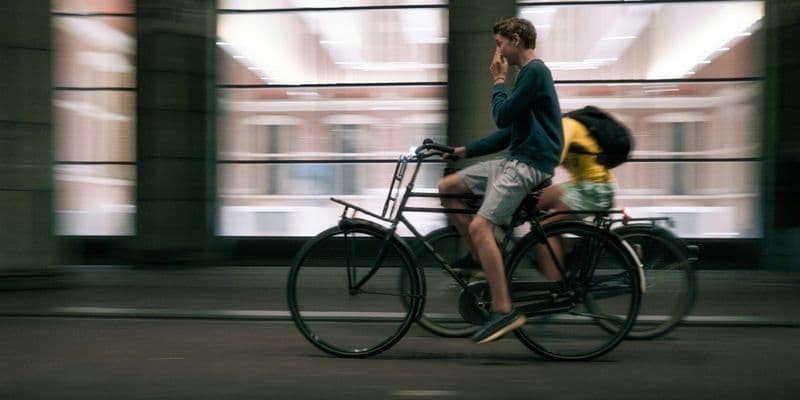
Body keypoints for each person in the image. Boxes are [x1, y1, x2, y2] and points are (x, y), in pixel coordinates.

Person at [438, 16, 563, 344]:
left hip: (528, 166)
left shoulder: (534, 72)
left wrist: (497, 80)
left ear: (516, 40)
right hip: (516, 160)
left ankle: (503, 309)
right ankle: (483, 260)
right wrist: (464, 151)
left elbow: (502, 115)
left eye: (499, 44)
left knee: (480, 227)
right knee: (448, 188)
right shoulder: (527, 76)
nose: (497, 52)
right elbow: (508, 132)